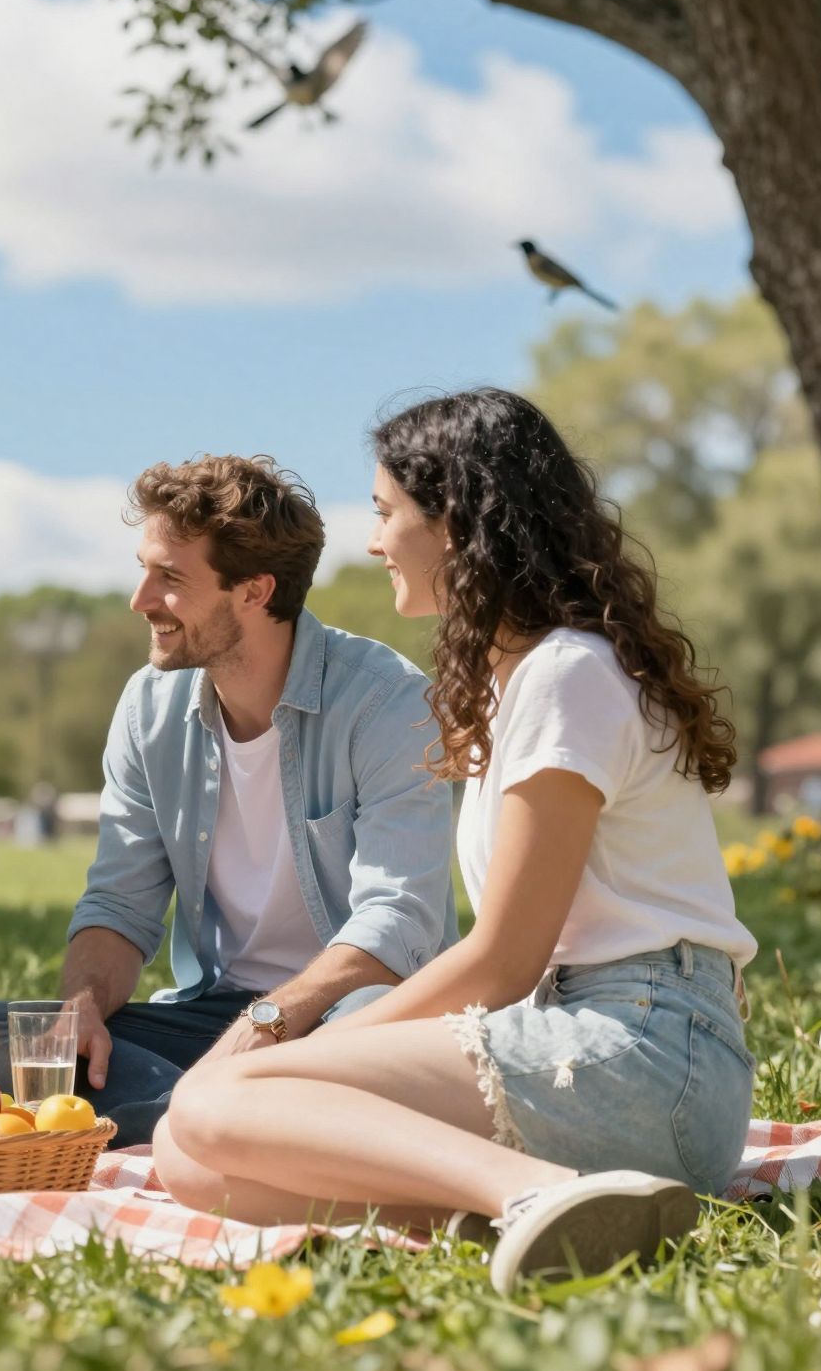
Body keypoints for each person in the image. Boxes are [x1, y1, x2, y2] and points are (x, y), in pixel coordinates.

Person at [152, 391, 758, 1292]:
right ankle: (568, 1211)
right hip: (596, 1041)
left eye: (385, 513)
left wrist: (301, 1058)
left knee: (217, 1100)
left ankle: (532, 1193)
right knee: (191, 1157)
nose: (372, 541)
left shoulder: (568, 674)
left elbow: (503, 960)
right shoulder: (521, 679)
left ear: (459, 526)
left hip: (647, 1051)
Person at [0, 455, 455, 1145]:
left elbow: (398, 923)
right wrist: (82, 1008)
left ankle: (186, 1122)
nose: (140, 599)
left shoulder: (387, 702)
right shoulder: (148, 707)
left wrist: (266, 1026)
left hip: (344, 1016)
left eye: (170, 578)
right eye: (143, 570)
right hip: (213, 1020)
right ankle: (228, 1124)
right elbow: (119, 906)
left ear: (254, 591)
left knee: (367, 1035)